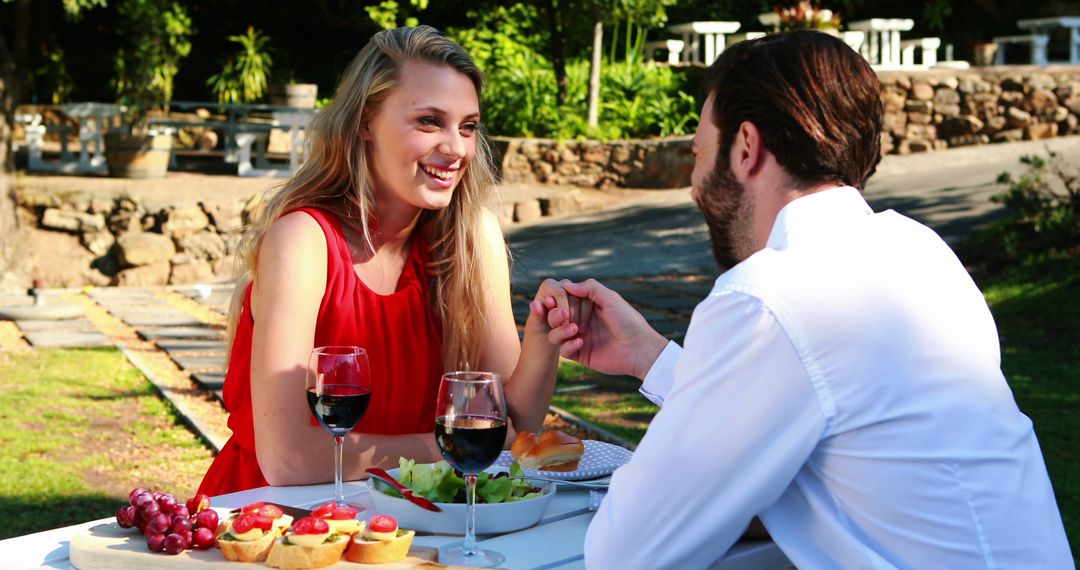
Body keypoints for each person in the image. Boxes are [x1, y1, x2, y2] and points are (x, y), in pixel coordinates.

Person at [549, 31, 1072, 568]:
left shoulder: (768, 295)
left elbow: (628, 551)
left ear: (746, 147)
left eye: (699, 154)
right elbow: (821, 410)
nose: (694, 185)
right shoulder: (918, 250)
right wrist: (650, 357)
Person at [198, 26, 575, 497]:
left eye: (468, 126)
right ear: (364, 122)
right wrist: (447, 447)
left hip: (409, 517)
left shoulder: (472, 238)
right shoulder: (304, 241)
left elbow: (511, 429)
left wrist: (545, 339)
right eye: (428, 122)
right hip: (277, 520)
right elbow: (289, 460)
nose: (456, 148)